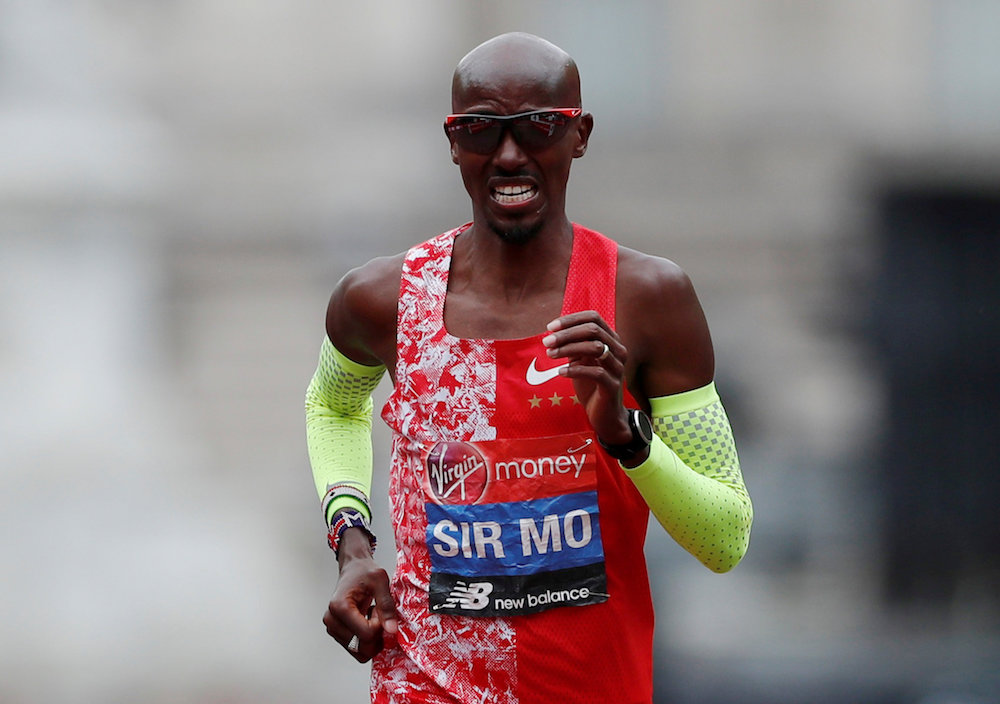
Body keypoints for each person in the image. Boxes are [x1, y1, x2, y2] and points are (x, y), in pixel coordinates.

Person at [305, 32, 752, 704]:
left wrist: (627, 437)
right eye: (482, 130)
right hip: (426, 685)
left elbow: (726, 537)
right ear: (453, 142)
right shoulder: (382, 299)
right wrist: (353, 544)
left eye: (539, 126)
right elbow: (333, 405)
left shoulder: (648, 299)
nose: (510, 156)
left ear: (580, 135)